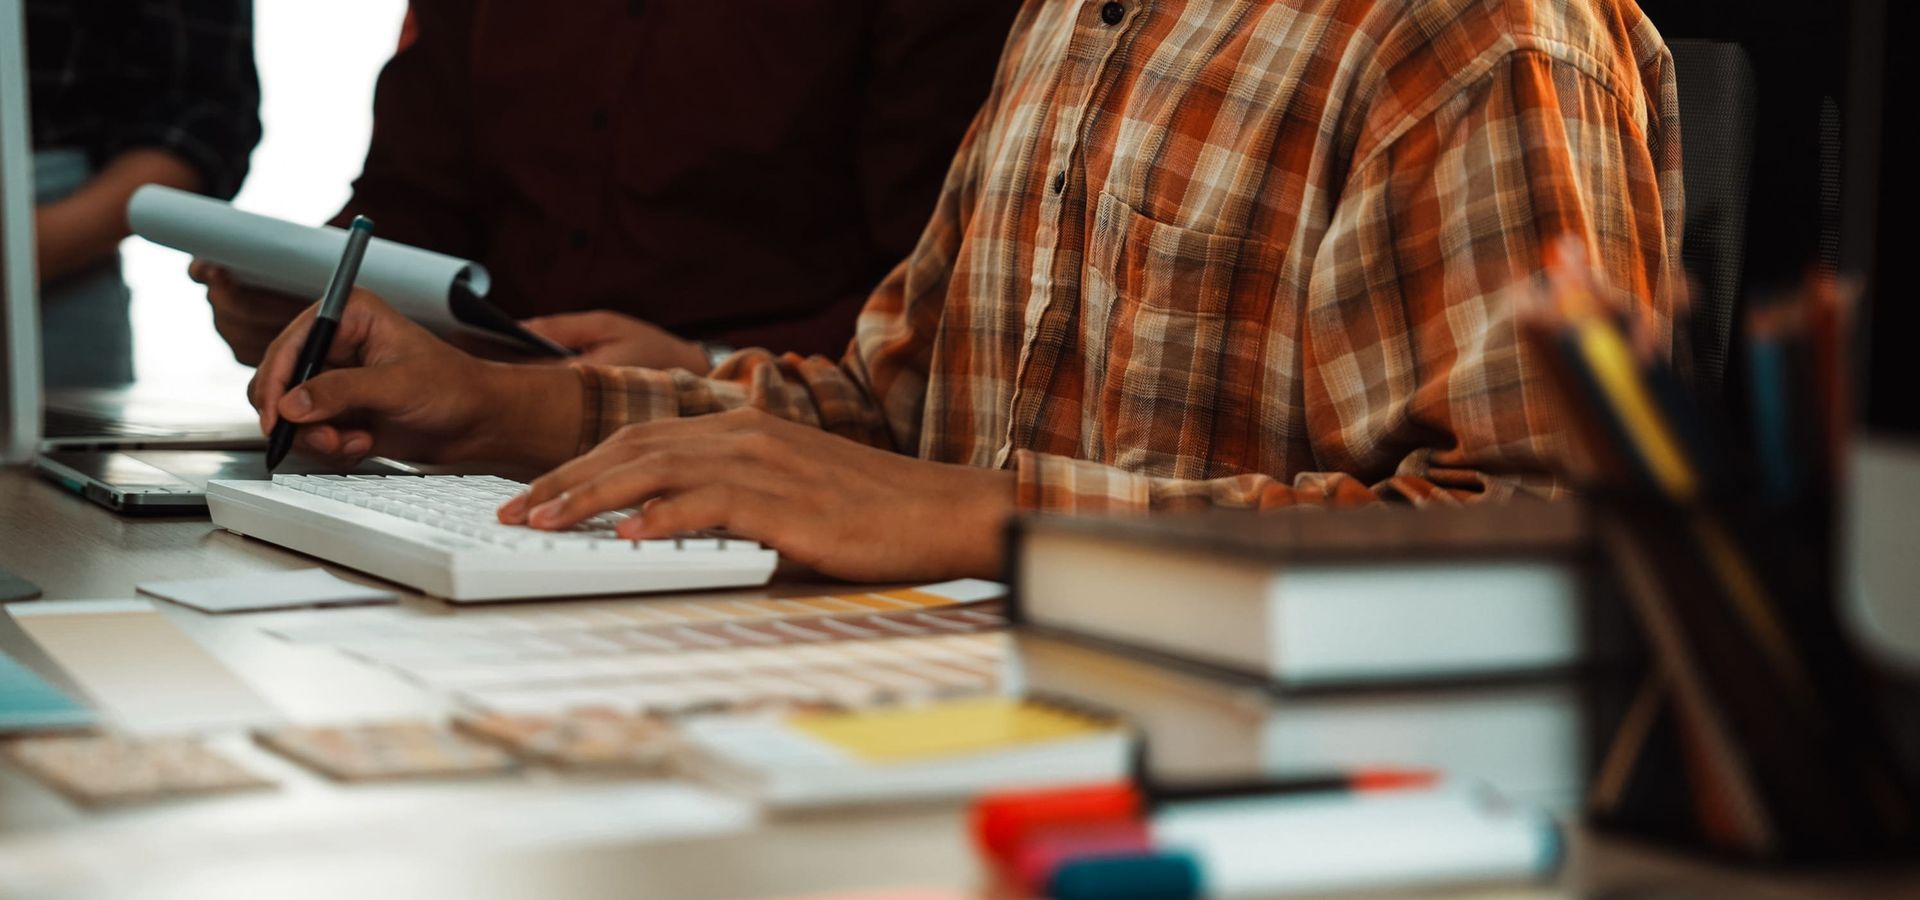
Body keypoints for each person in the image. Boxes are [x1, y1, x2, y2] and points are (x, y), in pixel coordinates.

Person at [247, 0, 1683, 583]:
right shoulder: (1070, 18)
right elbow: (892, 407)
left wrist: (984, 517)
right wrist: (494, 407)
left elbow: (1553, 542)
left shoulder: (1474, 38)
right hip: (973, 718)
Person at [196, 0, 1019, 370]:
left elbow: (945, 286)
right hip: (474, 436)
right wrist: (318, 292)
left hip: (770, 447)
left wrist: (711, 366)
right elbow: (414, 198)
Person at [27, 0, 259, 386]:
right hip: (54, 243)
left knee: (53, 420)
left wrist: (34, 246)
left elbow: (206, 112)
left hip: (59, 248)